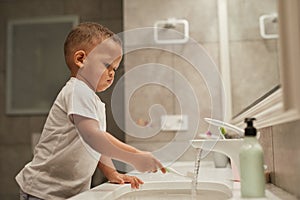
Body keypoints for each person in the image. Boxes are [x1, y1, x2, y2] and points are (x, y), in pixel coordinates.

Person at [16, 22, 166, 200]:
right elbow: (94, 138)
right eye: (106, 65)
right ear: (80, 59)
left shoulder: (91, 99)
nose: (111, 74)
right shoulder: (77, 91)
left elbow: (97, 146)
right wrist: (134, 156)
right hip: (42, 191)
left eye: (114, 69)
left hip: (61, 192)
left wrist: (112, 173)